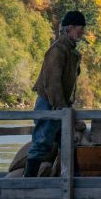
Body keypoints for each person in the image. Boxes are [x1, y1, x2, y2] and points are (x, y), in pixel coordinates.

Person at [25, 10, 86, 177]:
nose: (82, 33)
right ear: (70, 28)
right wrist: (61, 109)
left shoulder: (71, 51)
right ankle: (25, 185)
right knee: (41, 143)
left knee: (67, 144)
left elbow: (67, 85)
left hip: (60, 106)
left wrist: (67, 109)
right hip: (50, 104)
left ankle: (74, 180)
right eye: (80, 30)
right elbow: (53, 83)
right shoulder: (57, 50)